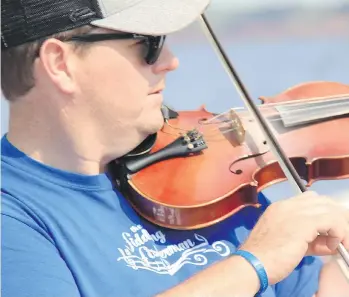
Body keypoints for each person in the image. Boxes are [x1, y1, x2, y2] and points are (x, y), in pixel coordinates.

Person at [1, 0, 349, 296]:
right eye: (148, 44)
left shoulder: (202, 176)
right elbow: (263, 261)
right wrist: (255, 264)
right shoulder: (12, 217)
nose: (171, 60)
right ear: (60, 64)